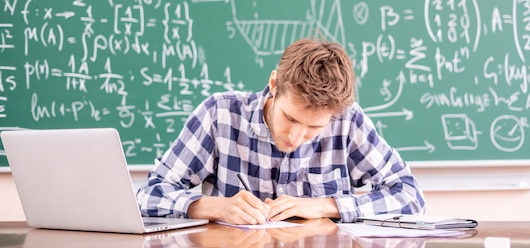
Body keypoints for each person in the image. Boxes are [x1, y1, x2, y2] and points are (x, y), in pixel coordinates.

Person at [136, 37, 425, 224]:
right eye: (290, 118)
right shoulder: (219, 115)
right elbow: (147, 196)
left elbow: (411, 196)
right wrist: (213, 207)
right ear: (274, 84)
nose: (296, 138)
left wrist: (327, 206)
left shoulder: (347, 121)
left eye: (314, 128)